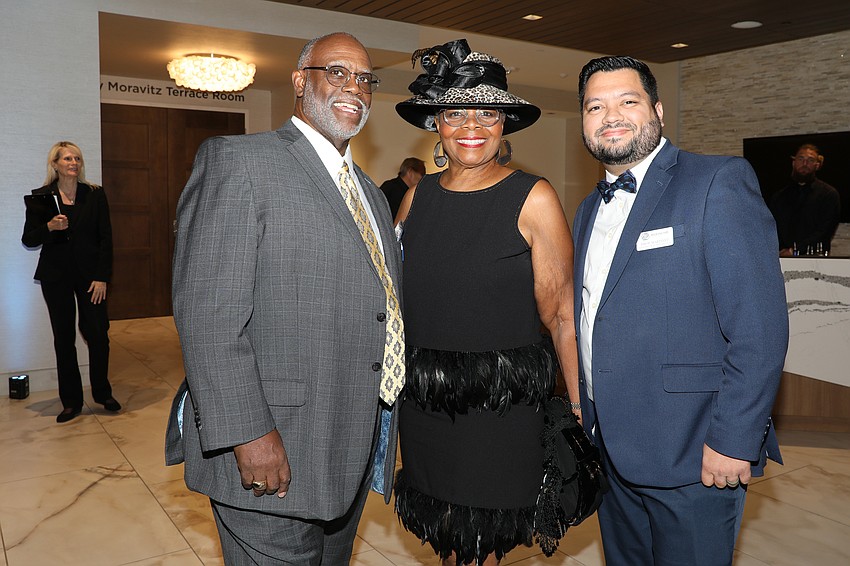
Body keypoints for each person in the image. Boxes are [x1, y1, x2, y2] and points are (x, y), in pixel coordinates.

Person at [164, 32, 403, 565]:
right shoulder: (239, 161)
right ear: (300, 81)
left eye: (365, 79)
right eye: (337, 73)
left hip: (345, 451)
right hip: (272, 451)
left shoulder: (369, 193)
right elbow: (208, 316)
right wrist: (248, 434)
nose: (354, 88)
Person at [573, 55, 788, 565]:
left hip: (694, 452)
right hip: (611, 452)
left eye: (628, 101)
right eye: (594, 106)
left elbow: (759, 328)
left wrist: (735, 439)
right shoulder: (586, 209)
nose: (611, 116)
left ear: (658, 110)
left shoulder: (717, 182)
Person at [392, 39, 580, 566]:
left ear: (504, 125)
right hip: (426, 405)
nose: (470, 126)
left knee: (482, 541)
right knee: (447, 536)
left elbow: (562, 314)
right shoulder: (416, 196)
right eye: (455, 112)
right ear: (436, 124)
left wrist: (580, 405)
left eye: (486, 113)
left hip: (499, 408)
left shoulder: (532, 196)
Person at [22, 141, 120, 424]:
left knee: (98, 334)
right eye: (67, 158)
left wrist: (102, 276)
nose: (73, 162)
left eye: (77, 157)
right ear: (55, 164)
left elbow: (106, 238)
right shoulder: (42, 197)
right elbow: (29, 239)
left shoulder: (95, 194)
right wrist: (49, 228)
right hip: (56, 277)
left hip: (92, 279)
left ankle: (102, 393)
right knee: (64, 338)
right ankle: (71, 402)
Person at [769, 143, 841, 256]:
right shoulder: (779, 197)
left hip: (815, 259)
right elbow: (771, 227)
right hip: (781, 258)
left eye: (810, 160)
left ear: (817, 165)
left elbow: (824, 231)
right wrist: (782, 250)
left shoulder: (829, 195)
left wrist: (794, 251)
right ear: (793, 163)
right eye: (801, 158)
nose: (805, 163)